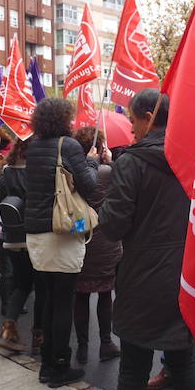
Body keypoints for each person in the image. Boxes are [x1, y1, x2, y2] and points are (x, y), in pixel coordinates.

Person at [100, 89, 195, 390]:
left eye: (132, 119)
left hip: (142, 279)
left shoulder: (131, 163)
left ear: (148, 117)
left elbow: (113, 226)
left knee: (132, 371)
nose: (130, 127)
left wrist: (102, 214)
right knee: (186, 366)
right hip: (188, 278)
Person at [23, 98, 97, 388]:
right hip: (62, 232)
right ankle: (60, 366)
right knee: (63, 301)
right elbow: (89, 186)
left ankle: (46, 365)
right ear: (64, 118)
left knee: (49, 298)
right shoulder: (68, 146)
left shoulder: (34, 146)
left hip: (37, 235)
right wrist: (91, 162)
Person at [72, 126, 122, 364]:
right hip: (105, 243)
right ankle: (105, 343)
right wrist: (110, 162)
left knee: (80, 295)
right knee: (104, 294)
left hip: (79, 240)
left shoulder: (71, 172)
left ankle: (82, 348)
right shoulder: (106, 172)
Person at [0, 137, 44, 354]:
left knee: (21, 286)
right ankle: (38, 338)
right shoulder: (37, 172)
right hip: (34, 237)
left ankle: (8, 329)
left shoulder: (7, 172)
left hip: (12, 238)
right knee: (41, 288)